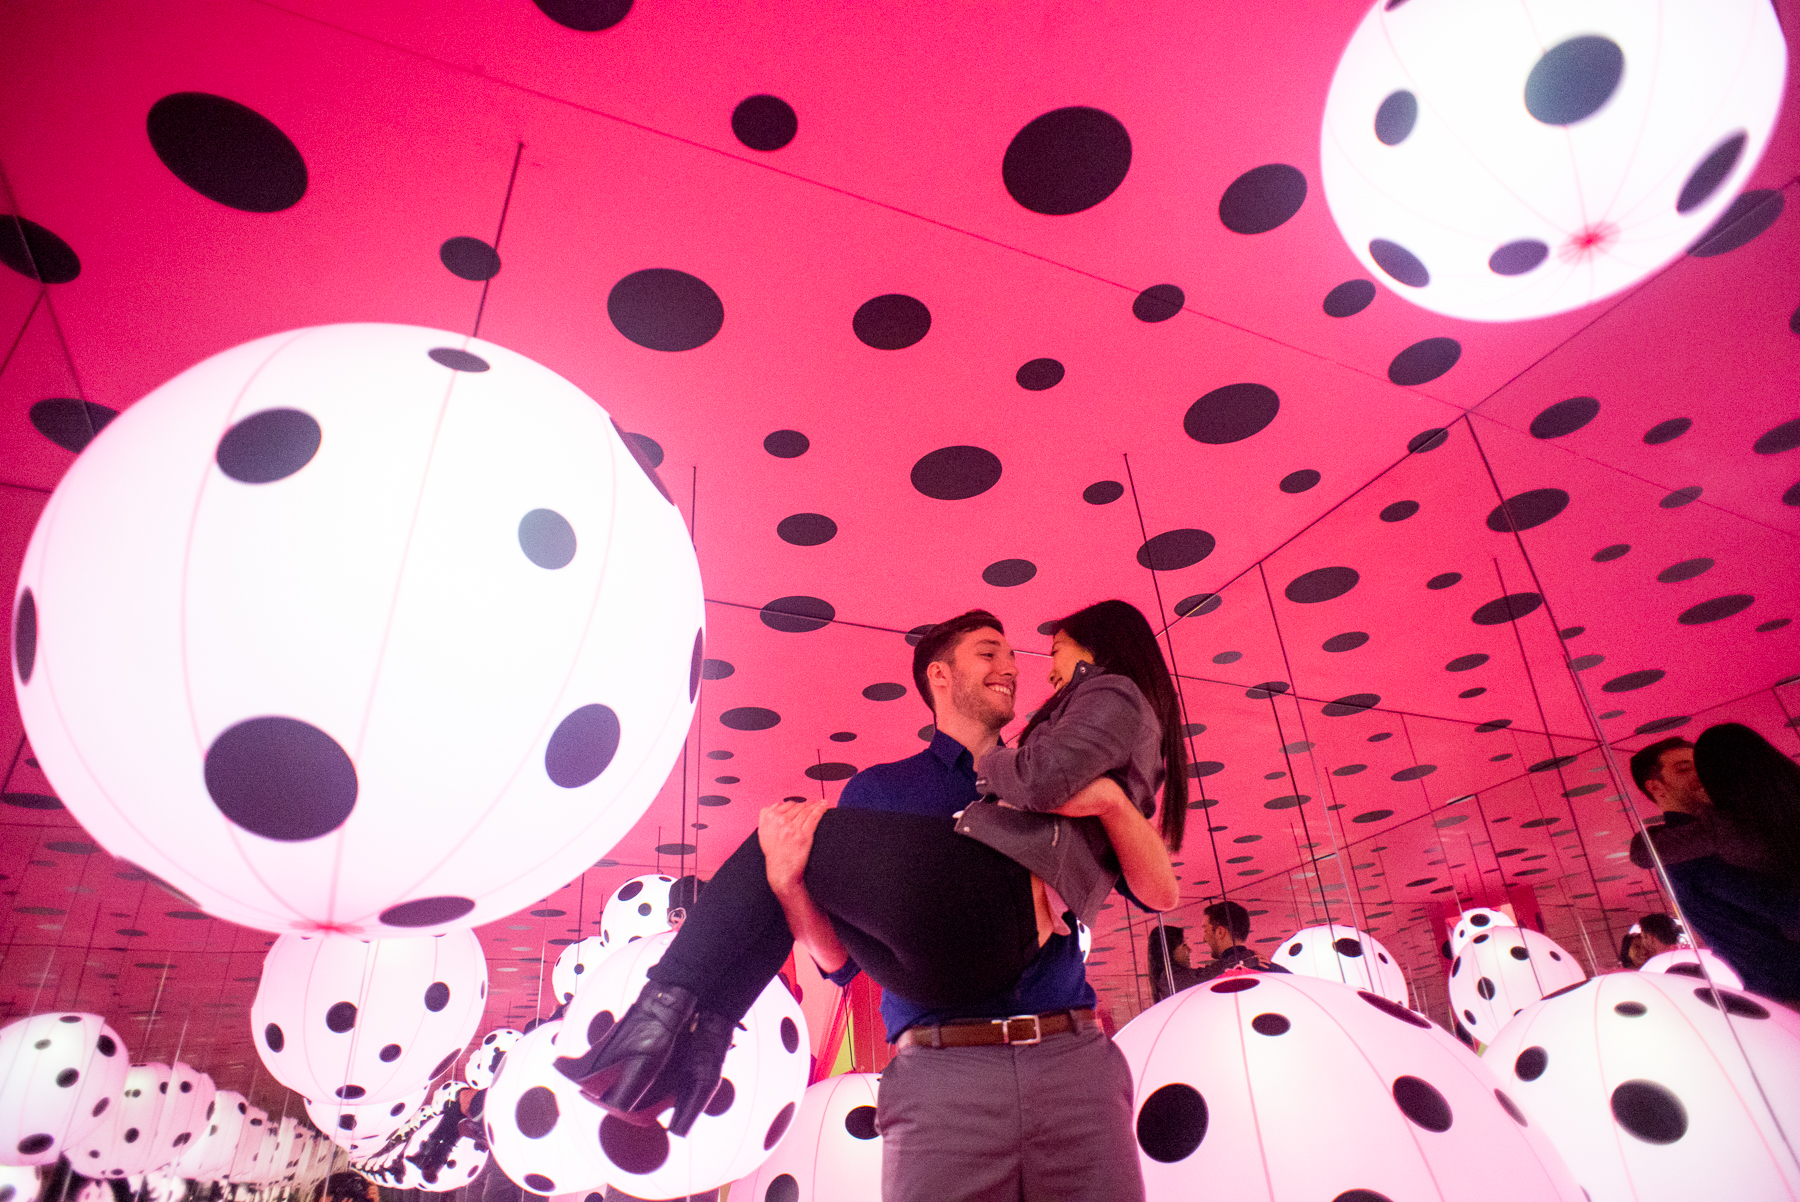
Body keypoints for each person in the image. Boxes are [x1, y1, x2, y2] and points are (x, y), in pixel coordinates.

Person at [562, 603, 1183, 1200]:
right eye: (989, 652)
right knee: (783, 839)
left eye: (1016, 655)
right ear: (939, 676)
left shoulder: (1055, 762)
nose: (1014, 668)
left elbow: (1159, 893)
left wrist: (1107, 800)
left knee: (780, 831)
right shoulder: (882, 789)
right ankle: (683, 1032)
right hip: (942, 1071)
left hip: (1069, 1060)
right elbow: (841, 964)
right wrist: (787, 887)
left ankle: (679, 1031)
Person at [1629, 724, 1800, 1004]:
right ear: (1656, 788)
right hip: (1787, 985)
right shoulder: (1685, 851)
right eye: (1684, 769)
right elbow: (1780, 906)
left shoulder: (1731, 825)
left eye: (1702, 766)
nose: (1700, 775)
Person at [1188, 900, 1289, 985]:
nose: (1204, 939)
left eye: (1206, 930)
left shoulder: (1214, 984)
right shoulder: (1281, 974)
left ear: (1220, 932)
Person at [1147, 924, 1199, 1003]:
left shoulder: (1166, 978)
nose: (1189, 950)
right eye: (1184, 945)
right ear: (1170, 950)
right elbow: (1206, 976)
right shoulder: (1174, 978)